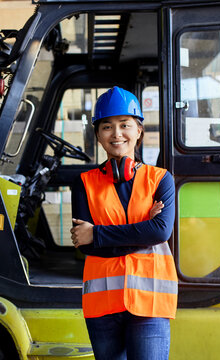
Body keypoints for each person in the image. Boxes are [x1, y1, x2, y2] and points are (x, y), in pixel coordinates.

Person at [70, 86, 178, 360]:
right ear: (97, 135)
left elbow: (161, 230)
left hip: (149, 305)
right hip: (102, 308)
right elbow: (87, 247)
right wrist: (143, 232)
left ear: (139, 130)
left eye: (125, 125)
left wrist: (97, 233)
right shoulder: (85, 183)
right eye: (107, 127)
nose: (116, 134)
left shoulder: (160, 179)